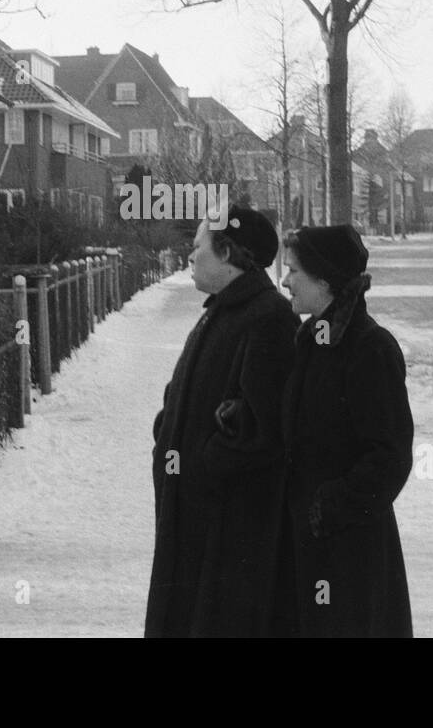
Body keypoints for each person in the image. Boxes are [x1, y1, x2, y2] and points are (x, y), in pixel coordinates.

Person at [146, 206, 299, 637]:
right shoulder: (223, 311)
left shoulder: (267, 318)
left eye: (199, 247)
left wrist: (202, 463)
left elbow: (262, 428)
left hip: (226, 532)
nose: (191, 256)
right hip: (195, 519)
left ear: (228, 252)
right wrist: (167, 429)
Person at [275, 224, 414, 637]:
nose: (285, 280)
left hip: (350, 554)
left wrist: (328, 506)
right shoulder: (309, 340)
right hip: (306, 549)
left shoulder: (369, 349)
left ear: (325, 280)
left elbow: (390, 457)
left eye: (295, 271)